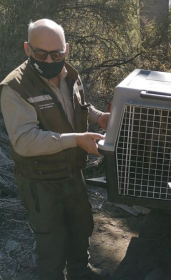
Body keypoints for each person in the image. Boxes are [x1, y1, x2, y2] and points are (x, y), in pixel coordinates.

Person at [0, 19, 110, 280]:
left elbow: (77, 105)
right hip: (40, 181)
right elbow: (25, 141)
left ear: (66, 50)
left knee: (80, 226)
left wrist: (98, 117)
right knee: (51, 241)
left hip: (72, 172)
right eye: (41, 54)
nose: (50, 60)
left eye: (57, 53)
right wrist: (76, 140)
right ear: (27, 49)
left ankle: (80, 273)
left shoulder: (69, 74)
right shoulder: (14, 87)